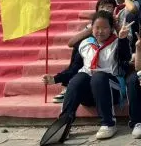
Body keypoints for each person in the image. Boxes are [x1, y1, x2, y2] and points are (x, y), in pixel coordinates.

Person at [42, 11, 132, 140]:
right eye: (97, 27)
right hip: (89, 94)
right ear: (91, 28)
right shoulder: (85, 44)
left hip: (111, 90)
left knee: (98, 77)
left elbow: (125, 57)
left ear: (111, 29)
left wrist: (123, 39)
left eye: (105, 28)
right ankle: (64, 124)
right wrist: (55, 79)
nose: (100, 31)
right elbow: (74, 69)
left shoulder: (117, 43)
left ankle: (108, 123)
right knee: (79, 78)